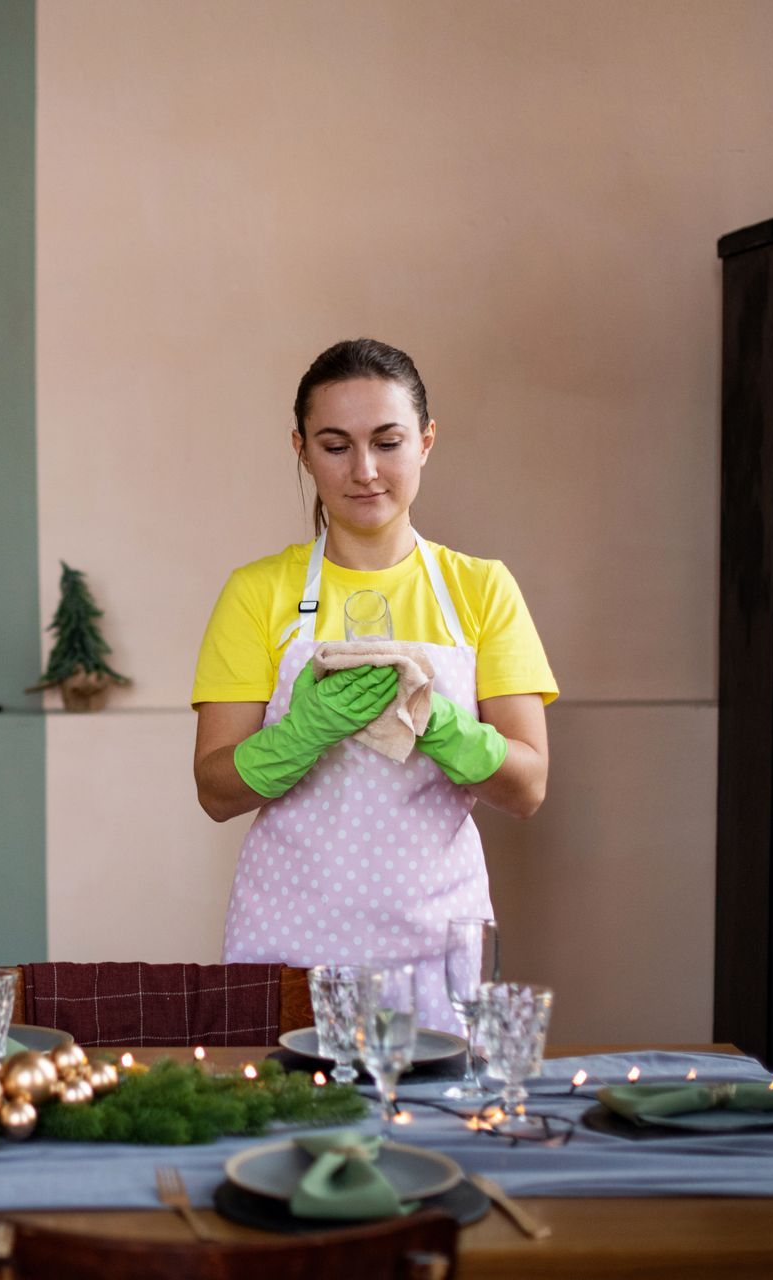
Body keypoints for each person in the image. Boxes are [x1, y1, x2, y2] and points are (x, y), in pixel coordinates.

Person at [191, 338, 555, 1031]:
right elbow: (215, 791)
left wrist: (446, 728)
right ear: (299, 448)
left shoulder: (482, 590)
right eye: (335, 445)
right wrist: (301, 735)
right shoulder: (257, 593)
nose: (364, 471)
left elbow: (528, 786)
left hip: (438, 941)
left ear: (426, 441)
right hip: (289, 941)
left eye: (387, 442)